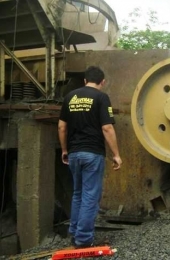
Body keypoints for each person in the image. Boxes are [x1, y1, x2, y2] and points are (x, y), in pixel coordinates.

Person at [58, 66, 122, 248]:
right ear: (103, 82)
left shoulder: (70, 97)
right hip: (92, 153)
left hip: (74, 154)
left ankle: (75, 232)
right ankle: (84, 239)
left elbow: (62, 127)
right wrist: (116, 154)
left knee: (78, 194)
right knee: (90, 196)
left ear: (85, 81)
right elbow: (107, 128)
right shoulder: (102, 97)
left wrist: (64, 150)